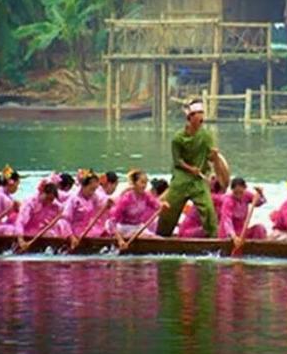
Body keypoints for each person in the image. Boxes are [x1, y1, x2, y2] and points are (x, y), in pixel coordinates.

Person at [157, 99, 220, 237]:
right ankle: (160, 238)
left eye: (202, 115)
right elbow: (177, 161)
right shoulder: (178, 138)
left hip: (198, 181)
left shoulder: (205, 136)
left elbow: (210, 157)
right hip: (181, 179)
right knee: (169, 211)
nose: (201, 118)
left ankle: (213, 240)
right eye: (197, 115)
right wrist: (191, 169)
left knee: (208, 210)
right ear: (190, 118)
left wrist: (213, 155)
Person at [107, 170, 169, 250]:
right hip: (124, 228)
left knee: (159, 240)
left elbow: (156, 204)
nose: (144, 186)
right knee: (150, 238)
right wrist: (120, 240)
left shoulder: (146, 195)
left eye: (146, 183)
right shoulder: (126, 199)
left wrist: (163, 205)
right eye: (142, 182)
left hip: (138, 227)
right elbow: (112, 222)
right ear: (134, 183)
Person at [15, 182, 73, 251]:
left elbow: (66, 220)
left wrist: (71, 237)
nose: (49, 202)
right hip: (27, 232)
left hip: (43, 232)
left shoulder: (57, 206)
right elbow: (20, 222)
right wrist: (21, 240)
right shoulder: (30, 203)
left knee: (60, 225)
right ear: (42, 193)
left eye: (51, 200)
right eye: (47, 198)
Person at [62, 170, 111, 246]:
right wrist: (71, 237)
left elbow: (103, 206)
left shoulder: (94, 197)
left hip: (91, 230)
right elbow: (65, 220)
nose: (92, 192)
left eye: (94, 189)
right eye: (91, 189)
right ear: (83, 186)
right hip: (77, 233)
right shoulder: (74, 199)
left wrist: (107, 206)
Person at [218, 178, 266, 247]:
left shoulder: (246, 195)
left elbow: (259, 202)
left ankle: (260, 249)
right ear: (232, 190)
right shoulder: (228, 201)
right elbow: (227, 221)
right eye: (236, 193)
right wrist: (234, 237)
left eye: (241, 192)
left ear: (245, 188)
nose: (238, 196)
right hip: (228, 234)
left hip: (241, 232)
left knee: (259, 228)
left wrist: (261, 194)